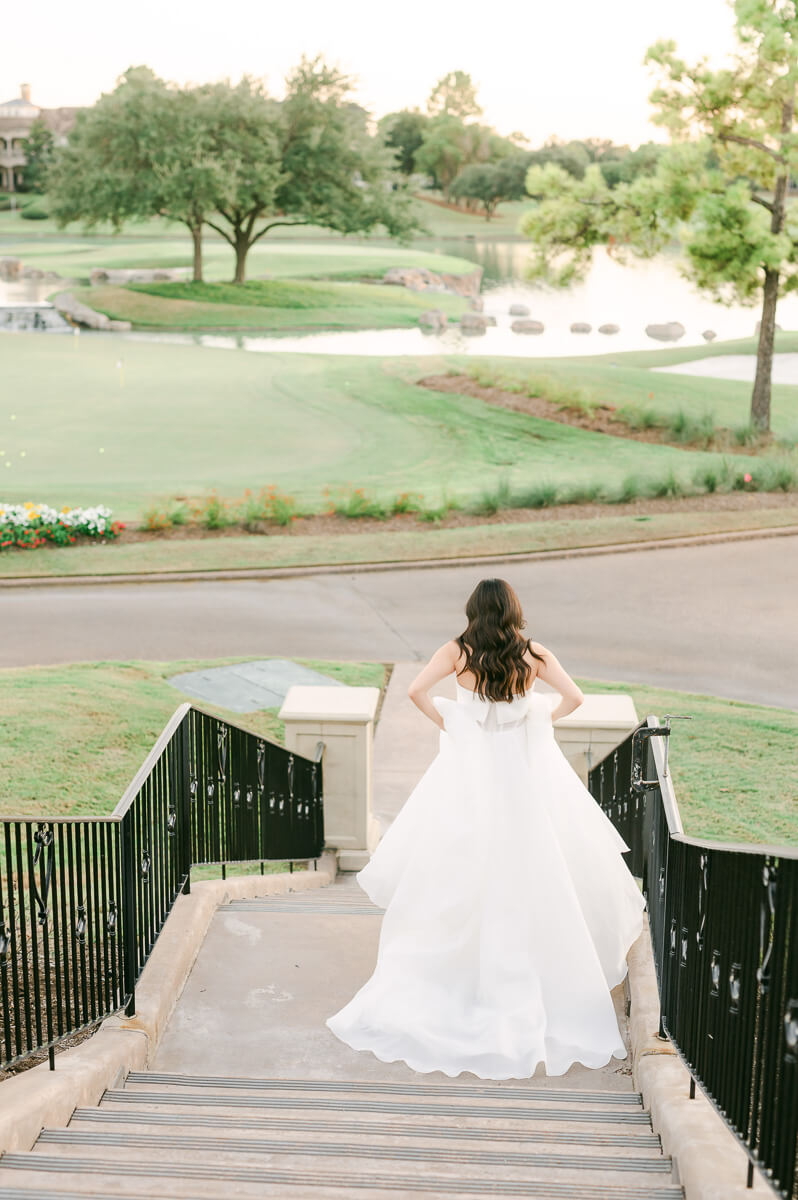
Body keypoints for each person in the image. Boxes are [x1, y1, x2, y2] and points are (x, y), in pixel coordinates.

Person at [327, 578, 646, 1079]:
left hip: (471, 776)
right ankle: (535, 977)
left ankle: (459, 980)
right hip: (522, 774)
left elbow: (414, 691)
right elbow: (575, 698)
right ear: (514, 609)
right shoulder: (533, 653)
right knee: (534, 871)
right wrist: (537, 716)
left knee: (460, 871)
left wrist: (453, 723)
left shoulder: (458, 651)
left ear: (473, 610)